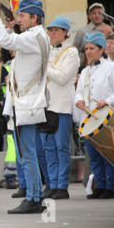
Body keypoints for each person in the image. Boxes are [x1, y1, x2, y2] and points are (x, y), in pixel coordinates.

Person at [0, 0, 49, 214]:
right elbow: (13, 39)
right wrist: (12, 25)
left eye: (23, 16)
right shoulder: (35, 35)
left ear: (34, 18)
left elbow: (5, 41)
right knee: (26, 151)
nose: (19, 19)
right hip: (27, 102)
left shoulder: (33, 37)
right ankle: (35, 196)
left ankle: (33, 198)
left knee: (27, 152)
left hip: (27, 103)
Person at [74, 32, 114, 199]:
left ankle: (110, 187)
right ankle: (100, 186)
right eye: (86, 48)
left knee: (108, 154)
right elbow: (79, 92)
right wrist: (80, 100)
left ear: (102, 49)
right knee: (94, 156)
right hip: (89, 121)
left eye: (92, 48)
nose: (88, 52)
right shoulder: (86, 71)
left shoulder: (111, 68)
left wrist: (108, 101)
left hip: (106, 119)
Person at [41, 16, 80, 199]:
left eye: (56, 30)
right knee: (48, 148)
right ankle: (52, 183)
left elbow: (63, 77)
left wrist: (44, 67)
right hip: (46, 105)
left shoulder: (71, 52)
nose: (52, 33)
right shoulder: (46, 50)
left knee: (61, 147)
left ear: (65, 32)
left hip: (62, 105)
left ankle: (62, 185)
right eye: (50, 30)